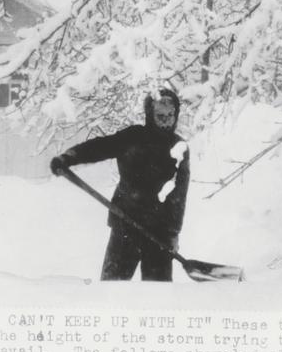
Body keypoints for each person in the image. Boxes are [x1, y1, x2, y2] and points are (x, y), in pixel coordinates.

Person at [50, 88, 190, 281]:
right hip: (125, 227)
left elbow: (179, 195)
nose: (166, 120)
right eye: (160, 115)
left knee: (158, 298)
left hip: (160, 235)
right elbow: (99, 147)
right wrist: (69, 157)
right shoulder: (133, 137)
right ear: (150, 114)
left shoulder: (179, 147)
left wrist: (173, 233)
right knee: (111, 290)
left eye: (170, 115)